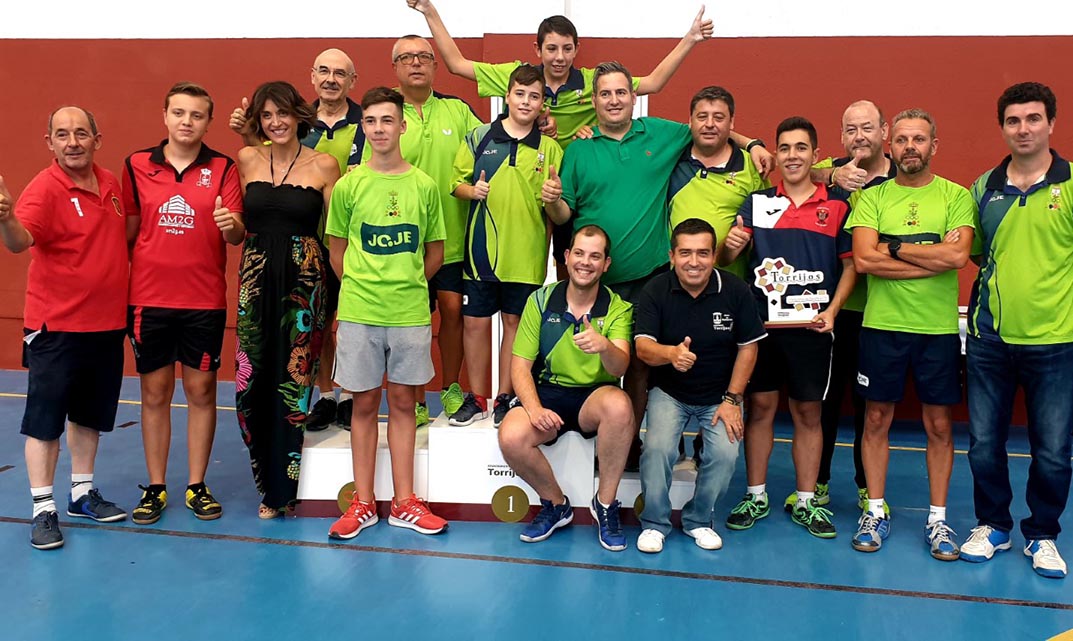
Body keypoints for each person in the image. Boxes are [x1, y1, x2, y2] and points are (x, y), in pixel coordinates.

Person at [846, 108, 975, 560]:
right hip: (881, 327)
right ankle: (875, 510)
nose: (910, 147)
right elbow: (864, 260)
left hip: (936, 331)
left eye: (919, 139)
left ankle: (938, 520)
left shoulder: (956, 197)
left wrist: (895, 246)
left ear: (933, 145)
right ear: (890, 145)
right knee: (876, 420)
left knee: (939, 425)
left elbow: (958, 258)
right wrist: (929, 254)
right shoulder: (872, 199)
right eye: (901, 140)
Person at [719, 116, 856, 539]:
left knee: (807, 413)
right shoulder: (757, 203)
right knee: (759, 410)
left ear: (816, 155)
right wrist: (729, 246)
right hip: (763, 328)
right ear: (774, 156)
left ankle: (807, 500)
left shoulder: (837, 205)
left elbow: (850, 267)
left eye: (801, 148)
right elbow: (726, 259)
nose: (792, 156)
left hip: (812, 327)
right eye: (785, 148)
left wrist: (833, 311)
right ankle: (756, 495)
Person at [0, 106, 129, 549]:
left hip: (106, 324)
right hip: (56, 327)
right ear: (49, 142)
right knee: (45, 421)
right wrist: (4, 219)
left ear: (97, 138)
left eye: (80, 133)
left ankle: (81, 493)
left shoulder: (111, 183)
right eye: (62, 134)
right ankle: (42, 508)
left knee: (89, 416)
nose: (72, 142)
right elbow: (21, 241)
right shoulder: (45, 188)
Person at [327, 87, 448, 540]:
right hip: (359, 311)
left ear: (403, 126)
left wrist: (405, 283)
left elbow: (433, 253)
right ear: (365, 126)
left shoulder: (423, 186)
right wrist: (363, 287)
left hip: (410, 312)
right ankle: (362, 503)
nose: (379, 128)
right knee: (362, 404)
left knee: (403, 404)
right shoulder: (349, 185)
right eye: (372, 120)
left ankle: (404, 502)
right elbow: (337, 252)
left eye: (387, 120)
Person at [961, 82, 1071, 579]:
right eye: (1013, 120)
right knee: (984, 442)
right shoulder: (984, 186)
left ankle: (1043, 534)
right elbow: (982, 256)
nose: (1023, 128)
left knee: (1052, 449)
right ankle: (992, 525)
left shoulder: (1070, 185)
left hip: (1056, 343)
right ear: (1002, 127)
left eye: (1032, 118)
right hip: (989, 341)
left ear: (1051, 123)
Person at [124, 82, 244, 524]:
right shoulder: (137, 165)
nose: (186, 122)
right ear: (165, 115)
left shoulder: (223, 167)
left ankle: (196, 485)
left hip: (203, 301)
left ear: (208, 122)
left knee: (201, 391)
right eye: (179, 113)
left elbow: (235, 235)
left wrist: (230, 224)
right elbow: (128, 232)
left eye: (196, 115)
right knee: (154, 393)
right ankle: (156, 487)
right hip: (149, 301)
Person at [229, 48, 363, 431]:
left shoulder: (363, 121)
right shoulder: (293, 124)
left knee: (341, 324)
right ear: (312, 76)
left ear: (352, 80)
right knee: (314, 332)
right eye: (324, 70)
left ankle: (349, 396)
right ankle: (323, 398)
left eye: (340, 72)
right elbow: (268, 155)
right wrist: (247, 129)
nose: (331, 78)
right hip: (283, 254)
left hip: (328, 247)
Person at [784, 100, 896, 514]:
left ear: (884, 130)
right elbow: (794, 168)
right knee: (824, 401)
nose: (859, 136)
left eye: (867, 127)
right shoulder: (832, 170)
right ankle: (819, 483)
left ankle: (869, 486)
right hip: (832, 308)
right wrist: (831, 173)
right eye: (850, 130)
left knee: (872, 405)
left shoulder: (904, 172)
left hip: (884, 310)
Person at [235, 81, 340, 518]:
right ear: (257, 122)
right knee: (252, 382)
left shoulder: (325, 164)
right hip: (256, 281)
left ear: (299, 114)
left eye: (282, 113)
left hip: (306, 280)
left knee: (293, 385)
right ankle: (265, 476)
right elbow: (240, 223)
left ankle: (283, 490)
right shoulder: (246, 158)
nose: (275, 122)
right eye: (266, 116)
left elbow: (335, 233)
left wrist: (343, 290)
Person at [369, 35, 484, 427]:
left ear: (435, 65)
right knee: (414, 320)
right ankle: (415, 399)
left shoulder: (457, 110)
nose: (416, 62)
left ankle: (450, 388)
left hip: (452, 240)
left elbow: (496, 141)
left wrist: (543, 126)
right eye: (406, 57)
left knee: (452, 312)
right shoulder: (386, 117)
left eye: (423, 56)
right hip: (401, 243)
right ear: (396, 67)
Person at [498, 225, 635, 551]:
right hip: (549, 392)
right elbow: (519, 365)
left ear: (606, 264)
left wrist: (604, 346)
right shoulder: (541, 300)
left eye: (595, 256)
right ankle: (556, 504)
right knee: (511, 436)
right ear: (566, 256)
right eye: (579, 253)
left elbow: (620, 367)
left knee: (620, 406)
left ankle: (604, 505)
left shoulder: (617, 308)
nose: (585, 262)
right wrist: (533, 408)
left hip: (594, 397)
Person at [635, 218, 764, 553]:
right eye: (686, 253)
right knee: (658, 449)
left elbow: (749, 347)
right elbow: (643, 348)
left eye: (703, 253)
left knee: (724, 453)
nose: (694, 262)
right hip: (670, 392)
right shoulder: (654, 290)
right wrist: (671, 354)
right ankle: (654, 523)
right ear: (672, 255)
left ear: (713, 254)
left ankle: (697, 520)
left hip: (720, 396)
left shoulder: (736, 291)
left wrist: (733, 399)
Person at [449, 64, 564, 427]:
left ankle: (504, 396)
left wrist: (553, 197)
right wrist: (473, 190)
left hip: (527, 257)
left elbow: (555, 208)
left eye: (535, 96)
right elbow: (455, 183)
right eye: (520, 94)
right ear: (508, 96)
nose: (526, 102)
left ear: (543, 102)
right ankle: (478, 397)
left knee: (514, 324)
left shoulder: (550, 148)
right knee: (476, 323)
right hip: (481, 254)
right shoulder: (479, 136)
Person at [668, 86, 769, 280]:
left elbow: (765, 230)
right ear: (690, 121)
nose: (709, 124)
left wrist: (742, 243)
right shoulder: (670, 158)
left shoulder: (753, 168)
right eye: (702, 116)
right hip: (676, 283)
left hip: (731, 284)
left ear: (732, 123)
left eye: (719, 118)